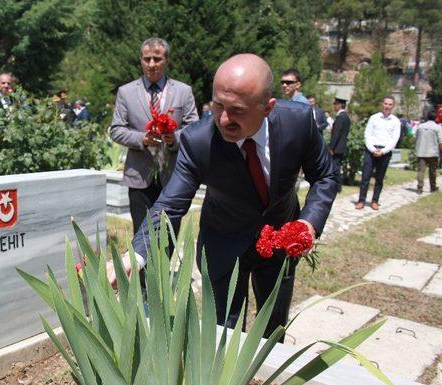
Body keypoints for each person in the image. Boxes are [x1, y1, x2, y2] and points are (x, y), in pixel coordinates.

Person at [109, 53, 337, 339]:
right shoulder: (197, 140)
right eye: (218, 105)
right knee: (222, 332)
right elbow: (169, 205)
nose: (223, 119)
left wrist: (308, 223)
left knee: (273, 328)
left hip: (280, 241)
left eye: (237, 110)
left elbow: (325, 176)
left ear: (267, 108)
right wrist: (136, 256)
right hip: (224, 243)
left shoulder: (298, 123)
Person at [110, 37, 198, 235]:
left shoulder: (183, 91)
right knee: (141, 235)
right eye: (146, 59)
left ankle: (165, 267)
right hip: (140, 176)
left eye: (157, 59)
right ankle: (143, 268)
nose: (151, 64)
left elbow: (194, 127)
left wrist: (175, 138)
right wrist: (142, 139)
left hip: (174, 177)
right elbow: (116, 129)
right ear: (140, 60)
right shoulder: (126, 92)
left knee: (169, 234)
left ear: (167, 60)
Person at [355, 96, 401, 210]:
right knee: (365, 177)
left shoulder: (395, 121)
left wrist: (383, 151)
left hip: (385, 152)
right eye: (385, 103)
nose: (387, 106)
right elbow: (367, 134)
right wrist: (372, 149)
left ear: (393, 106)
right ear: (382, 104)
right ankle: (361, 200)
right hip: (371, 150)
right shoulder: (374, 118)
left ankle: (375, 201)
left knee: (379, 179)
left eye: (390, 104)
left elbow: (395, 138)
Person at [414, 109, 442, 193]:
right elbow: (440, 141)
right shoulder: (438, 127)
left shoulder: (420, 126)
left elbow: (416, 138)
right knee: (432, 171)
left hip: (421, 151)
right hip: (433, 152)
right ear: (435, 117)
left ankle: (419, 188)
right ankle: (432, 187)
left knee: (421, 171)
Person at [329, 97, 351, 192]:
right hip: (341, 146)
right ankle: (337, 186)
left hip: (337, 147)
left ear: (339, 105)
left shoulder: (340, 117)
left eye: (335, 104)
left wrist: (331, 148)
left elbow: (336, 134)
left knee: (335, 167)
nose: (334, 106)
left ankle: (337, 186)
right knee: (337, 166)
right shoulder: (346, 116)